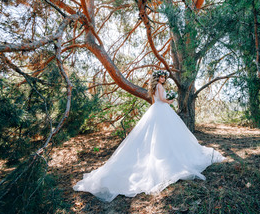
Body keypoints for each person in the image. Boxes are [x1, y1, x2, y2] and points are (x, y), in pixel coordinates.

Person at [73, 70, 225, 202]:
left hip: (157, 110)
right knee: (165, 134)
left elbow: (155, 101)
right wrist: (170, 100)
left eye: (164, 78)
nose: (163, 79)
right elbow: (163, 100)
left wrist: (166, 101)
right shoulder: (159, 87)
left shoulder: (155, 88)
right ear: (158, 79)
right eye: (161, 77)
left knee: (161, 135)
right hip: (162, 110)